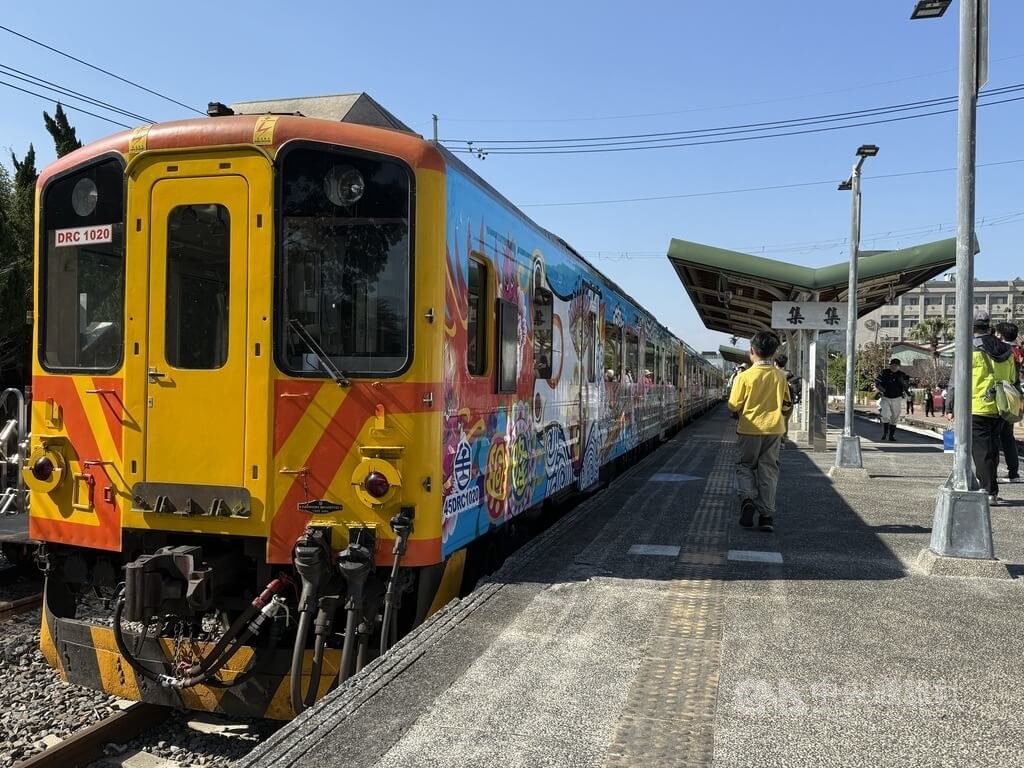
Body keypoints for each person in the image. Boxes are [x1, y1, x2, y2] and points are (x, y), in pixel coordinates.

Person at [728, 331, 791, 533]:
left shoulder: (744, 376)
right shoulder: (780, 377)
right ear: (772, 354)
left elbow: (733, 405)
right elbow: (787, 404)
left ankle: (747, 499)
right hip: (774, 431)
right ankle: (766, 517)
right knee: (768, 470)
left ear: (752, 352)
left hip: (749, 429)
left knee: (745, 466)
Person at [965, 310, 1017, 504]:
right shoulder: (1006, 349)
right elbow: (1013, 379)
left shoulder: (969, 347)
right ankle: (991, 487)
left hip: (978, 405)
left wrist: (951, 404)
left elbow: (961, 378)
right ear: (988, 326)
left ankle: (988, 491)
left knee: (981, 450)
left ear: (971, 327)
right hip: (1001, 406)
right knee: (993, 447)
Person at [994, 321, 1021, 484]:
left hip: (1002, 394)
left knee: (994, 436)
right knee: (1008, 436)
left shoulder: (1001, 351)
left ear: (1001, 335)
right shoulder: (1018, 351)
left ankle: (993, 471)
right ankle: (1014, 472)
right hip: (1015, 394)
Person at [874, 358, 910, 442]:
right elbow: (877, 383)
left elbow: (906, 385)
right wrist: (881, 390)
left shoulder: (902, 375)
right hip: (885, 397)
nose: (894, 367)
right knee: (885, 414)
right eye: (892, 365)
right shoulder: (884, 372)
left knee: (895, 417)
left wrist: (906, 388)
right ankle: (885, 433)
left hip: (897, 398)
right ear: (890, 365)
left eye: (896, 366)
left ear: (899, 366)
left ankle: (891, 435)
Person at [774, 354, 801, 444]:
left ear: (775, 363)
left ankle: (777, 442)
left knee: (775, 423)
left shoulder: (774, 374)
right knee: (785, 422)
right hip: (788, 403)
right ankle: (783, 441)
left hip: (776, 403)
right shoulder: (790, 374)